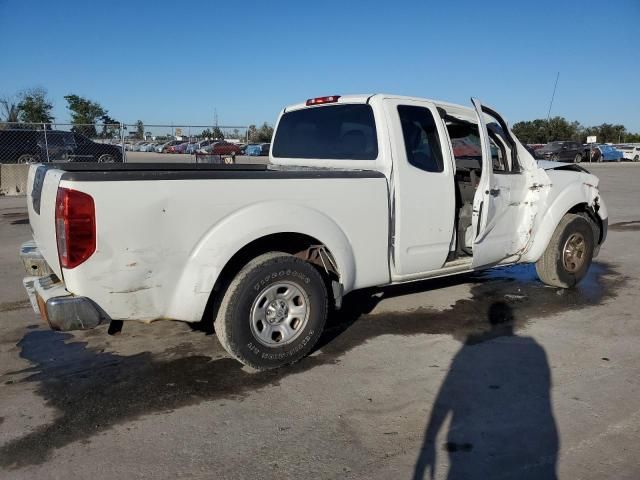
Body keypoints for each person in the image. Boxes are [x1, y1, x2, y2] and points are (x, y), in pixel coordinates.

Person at [413, 302, 559, 480]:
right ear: (510, 321)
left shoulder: (468, 352)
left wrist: (430, 441)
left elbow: (447, 392)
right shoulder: (535, 349)